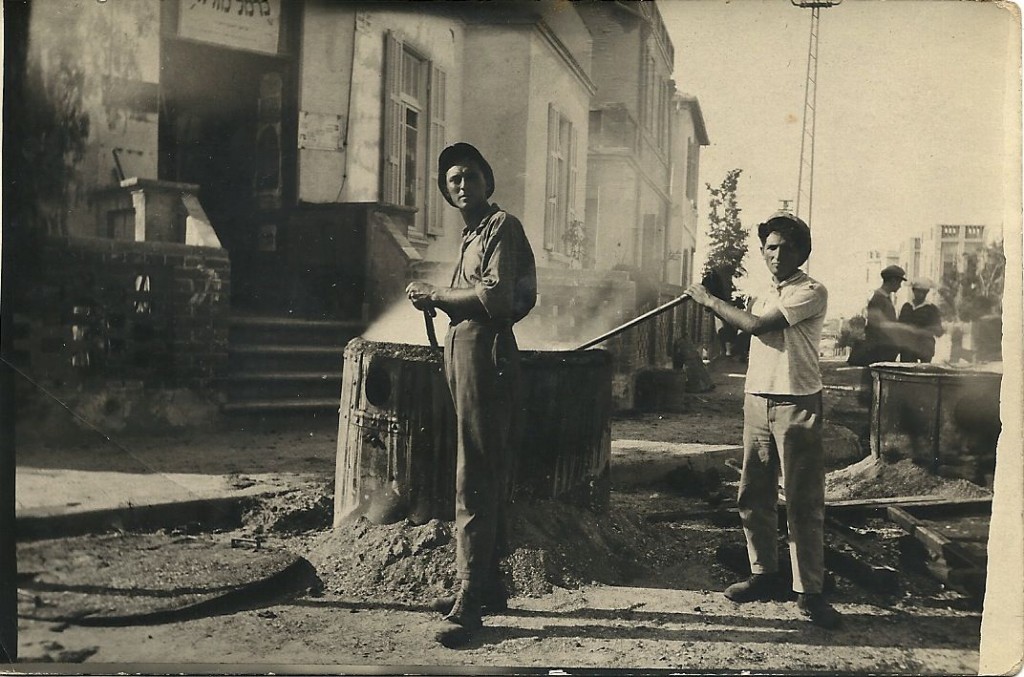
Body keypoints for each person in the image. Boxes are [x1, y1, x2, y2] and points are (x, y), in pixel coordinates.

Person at [405, 142, 537, 648]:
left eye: (470, 177)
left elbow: (495, 297)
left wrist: (436, 295)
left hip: (487, 353)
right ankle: (491, 584)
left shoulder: (502, 226)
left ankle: (470, 595)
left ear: (488, 181)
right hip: (467, 352)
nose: (461, 185)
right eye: (453, 180)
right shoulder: (472, 234)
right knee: (476, 462)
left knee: (475, 471)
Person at [685, 211, 841, 629]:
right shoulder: (762, 292)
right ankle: (763, 575)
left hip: (797, 402)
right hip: (757, 399)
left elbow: (756, 326)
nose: (776, 254)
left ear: (802, 252)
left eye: (785, 247)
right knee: (753, 494)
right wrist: (719, 300)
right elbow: (735, 336)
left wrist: (711, 301)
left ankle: (809, 592)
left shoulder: (810, 290)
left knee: (803, 501)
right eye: (769, 247)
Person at [863, 265, 907, 364]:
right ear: (892, 280)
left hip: (885, 348)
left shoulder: (884, 298)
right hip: (880, 350)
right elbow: (876, 327)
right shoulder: (879, 299)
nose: (900, 286)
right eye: (899, 282)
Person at [898, 278, 943, 363]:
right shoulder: (906, 307)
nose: (921, 294)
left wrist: (924, 331)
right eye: (918, 291)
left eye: (924, 292)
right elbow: (900, 326)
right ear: (913, 291)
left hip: (924, 346)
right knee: (907, 370)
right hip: (908, 347)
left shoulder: (931, 309)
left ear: (927, 293)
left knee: (923, 370)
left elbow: (938, 330)